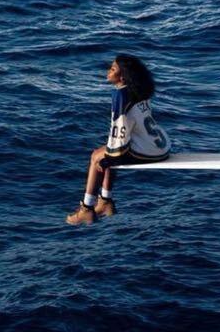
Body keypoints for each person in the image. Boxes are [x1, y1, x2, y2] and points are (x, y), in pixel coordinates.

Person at [66, 54, 172, 225]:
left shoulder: (121, 96)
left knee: (96, 156)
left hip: (148, 152)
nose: (108, 70)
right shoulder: (139, 91)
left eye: (113, 69)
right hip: (161, 146)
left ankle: (86, 209)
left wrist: (109, 157)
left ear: (122, 77)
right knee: (107, 151)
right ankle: (105, 201)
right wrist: (110, 154)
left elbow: (119, 131)